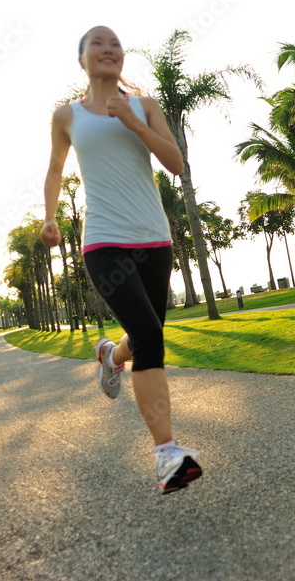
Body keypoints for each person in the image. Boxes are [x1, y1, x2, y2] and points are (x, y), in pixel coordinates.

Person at [40, 25, 202, 494]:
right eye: (97, 43)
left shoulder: (144, 105)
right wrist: (49, 217)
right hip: (105, 242)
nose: (108, 49)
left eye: (115, 44)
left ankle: (111, 356)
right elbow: (54, 169)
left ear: (122, 58)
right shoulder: (66, 116)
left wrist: (133, 123)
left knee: (146, 335)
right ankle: (168, 456)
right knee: (151, 336)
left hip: (154, 238)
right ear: (82, 60)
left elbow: (175, 163)